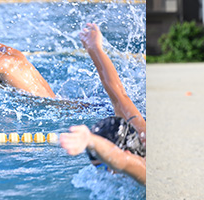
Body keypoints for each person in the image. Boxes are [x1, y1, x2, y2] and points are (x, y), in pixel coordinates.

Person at [59, 23, 147, 185]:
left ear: (127, 152)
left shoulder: (145, 171)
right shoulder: (139, 131)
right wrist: (94, 48)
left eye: (103, 167)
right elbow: (118, 94)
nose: (100, 174)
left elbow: (122, 160)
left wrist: (91, 141)